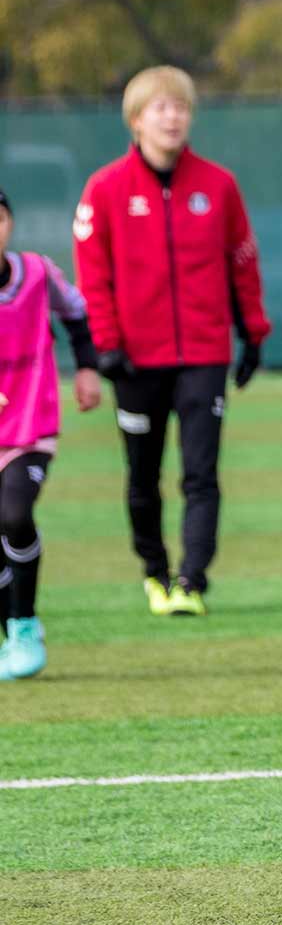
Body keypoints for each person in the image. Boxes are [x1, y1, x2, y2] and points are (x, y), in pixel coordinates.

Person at [72, 66, 272, 618]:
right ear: (136, 120)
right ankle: (154, 571)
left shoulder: (218, 185)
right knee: (142, 475)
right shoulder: (106, 189)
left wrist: (252, 334)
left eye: (181, 107)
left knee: (201, 474)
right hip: (134, 360)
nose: (173, 117)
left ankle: (192, 581)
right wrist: (105, 344)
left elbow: (242, 263)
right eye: (161, 108)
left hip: (204, 356)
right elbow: (94, 274)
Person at [0, 187, 105, 680]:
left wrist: (87, 369)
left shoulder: (38, 273)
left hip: (28, 426)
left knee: (14, 516)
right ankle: (11, 629)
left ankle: (23, 624)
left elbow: (77, 315)